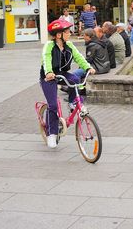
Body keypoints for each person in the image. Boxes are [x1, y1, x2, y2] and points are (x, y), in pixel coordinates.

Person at [40, 19, 95, 148]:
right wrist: (48, 72)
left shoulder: (69, 45)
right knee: (53, 105)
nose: (70, 33)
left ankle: (73, 102)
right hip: (48, 77)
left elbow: (79, 57)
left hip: (61, 73)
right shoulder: (49, 45)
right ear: (59, 35)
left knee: (75, 79)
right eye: (67, 32)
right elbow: (46, 58)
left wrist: (88, 67)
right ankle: (51, 135)